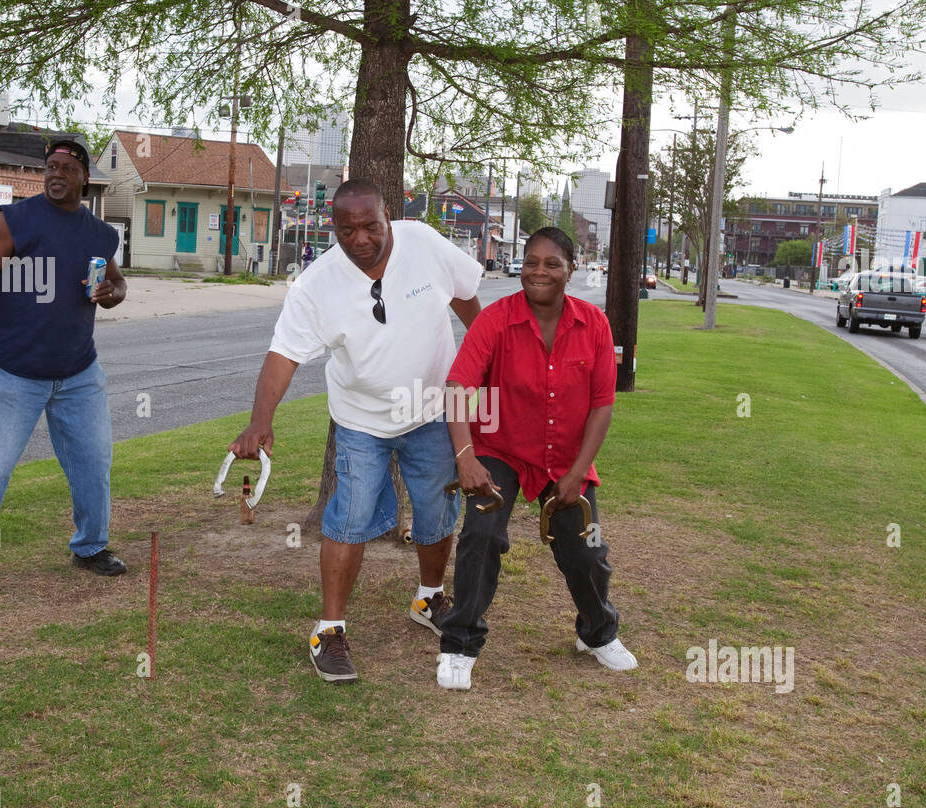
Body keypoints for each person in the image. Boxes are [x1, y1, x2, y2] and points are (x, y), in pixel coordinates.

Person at [229, 178, 482, 683]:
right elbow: (282, 357)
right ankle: (329, 630)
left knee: (438, 511)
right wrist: (261, 421)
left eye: (371, 226)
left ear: (389, 216)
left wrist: (492, 363)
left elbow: (469, 303)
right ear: (333, 228)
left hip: (431, 408)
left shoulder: (426, 244)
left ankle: (430, 598)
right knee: (351, 515)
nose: (361, 238)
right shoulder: (315, 285)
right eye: (347, 230)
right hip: (361, 421)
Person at [436, 226, 637, 691]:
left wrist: (577, 473)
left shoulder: (595, 324)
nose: (538, 272)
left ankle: (598, 632)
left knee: (586, 551)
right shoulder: (495, 320)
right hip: (500, 449)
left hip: (566, 457)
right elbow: (458, 388)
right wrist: (466, 459)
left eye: (551, 264)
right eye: (531, 262)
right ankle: (460, 644)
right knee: (481, 536)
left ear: (571, 270)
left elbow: (602, 405)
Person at [0, 137, 128, 595]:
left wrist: (111, 294)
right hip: (14, 371)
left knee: (93, 463)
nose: (56, 174)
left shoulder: (99, 234)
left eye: (67, 167)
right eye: (50, 166)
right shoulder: (13, 221)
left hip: (79, 374)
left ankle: (90, 547)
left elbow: (117, 286)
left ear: (85, 177)